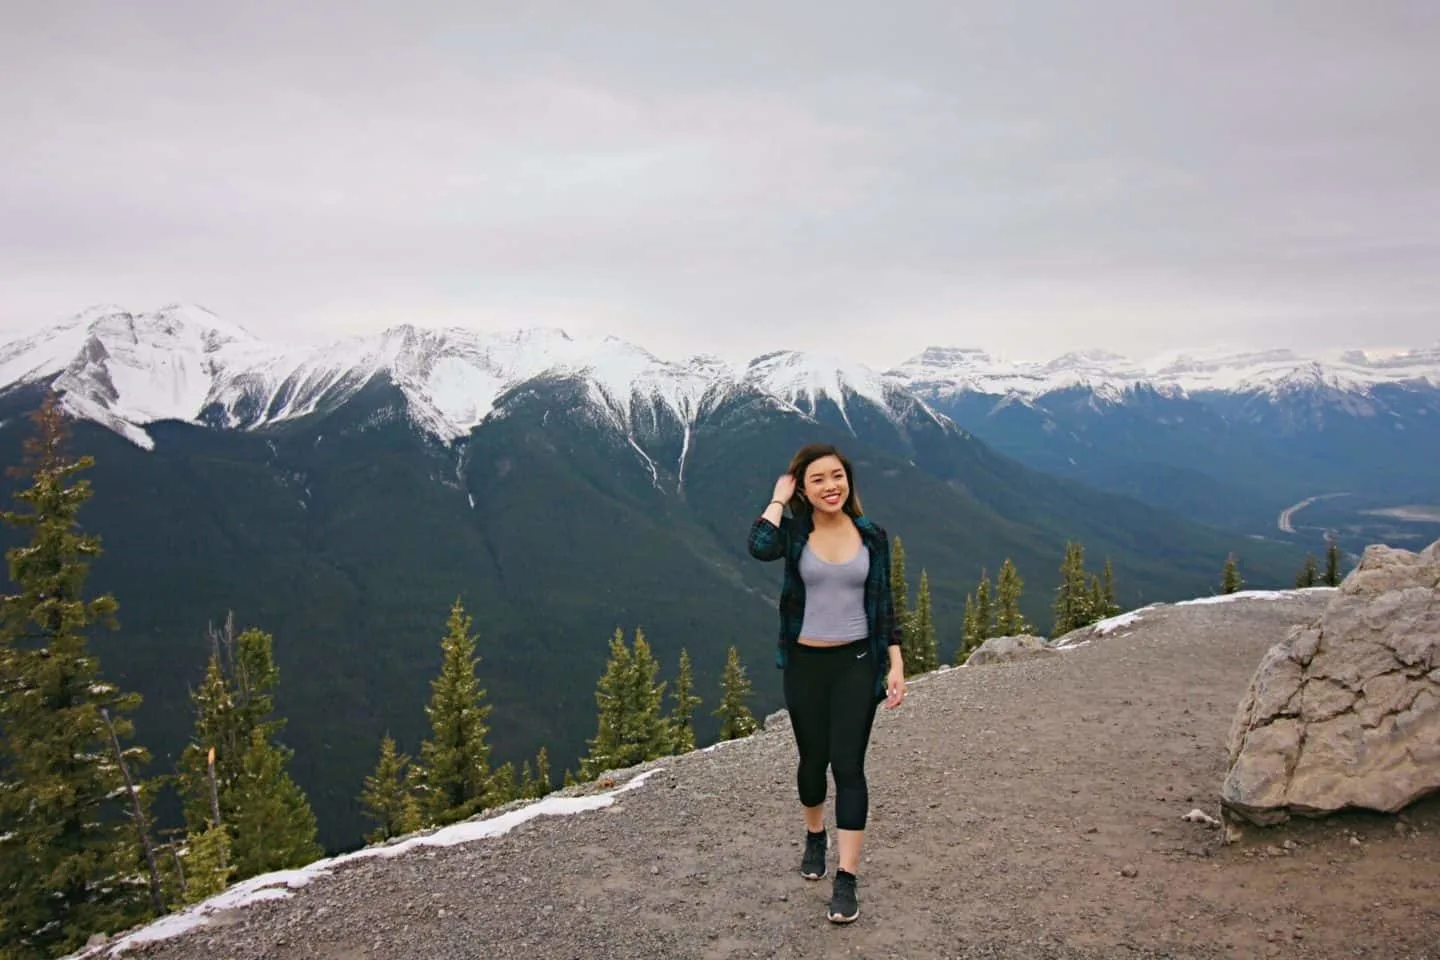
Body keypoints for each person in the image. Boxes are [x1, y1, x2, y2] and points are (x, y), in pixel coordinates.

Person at [747, 442, 906, 924]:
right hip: (805, 665)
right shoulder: (794, 533)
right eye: (817, 479)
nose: (830, 486)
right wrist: (778, 498)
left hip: (857, 663)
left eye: (836, 476)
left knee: (849, 766)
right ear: (803, 487)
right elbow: (759, 546)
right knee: (812, 761)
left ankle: (847, 878)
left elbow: (886, 605)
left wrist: (895, 662)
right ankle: (815, 835)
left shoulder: (871, 536)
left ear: (848, 481)